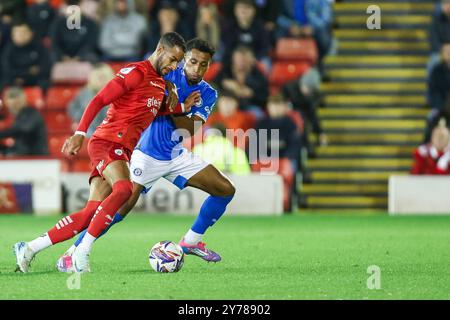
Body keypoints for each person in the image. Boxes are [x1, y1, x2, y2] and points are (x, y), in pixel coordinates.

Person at [13, 32, 187, 273]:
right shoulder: (135, 72)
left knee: (89, 214)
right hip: (106, 142)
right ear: (160, 50)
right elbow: (98, 100)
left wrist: (181, 106)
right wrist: (79, 133)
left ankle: (29, 248)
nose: (174, 66)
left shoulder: (160, 85)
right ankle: (82, 251)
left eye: (178, 62)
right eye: (172, 59)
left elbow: (149, 112)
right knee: (125, 189)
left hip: (122, 149)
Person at [56, 38, 235, 272]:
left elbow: (188, 129)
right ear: (183, 62)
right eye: (192, 62)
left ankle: (190, 242)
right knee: (119, 209)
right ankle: (72, 253)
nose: (197, 69)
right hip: (145, 154)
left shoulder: (208, 93)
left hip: (175, 154)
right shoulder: (167, 73)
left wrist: (173, 106)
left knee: (225, 190)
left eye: (204, 65)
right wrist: (179, 107)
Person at [282, 67, 327, 157]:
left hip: (300, 121)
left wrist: (320, 132)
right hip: (285, 118)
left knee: (303, 120)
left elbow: (312, 114)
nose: (309, 92)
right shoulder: (288, 88)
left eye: (311, 90)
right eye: (308, 88)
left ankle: (307, 148)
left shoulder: (308, 98)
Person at [213, 45, 268, 117]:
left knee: (257, 114)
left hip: (249, 106)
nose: (241, 62)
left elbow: (264, 97)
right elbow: (214, 86)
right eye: (238, 59)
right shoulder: (225, 71)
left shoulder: (258, 75)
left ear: (251, 60)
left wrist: (252, 94)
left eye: (244, 60)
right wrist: (225, 84)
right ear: (233, 59)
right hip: (227, 105)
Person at [68, 63, 115, 137]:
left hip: (111, 129)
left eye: (104, 77)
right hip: (90, 129)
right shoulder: (84, 93)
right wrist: (78, 121)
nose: (101, 80)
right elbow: (73, 108)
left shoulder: (117, 92)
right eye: (99, 77)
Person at [1, 21, 51, 90]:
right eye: (17, 33)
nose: (21, 36)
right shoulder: (7, 50)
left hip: (35, 81)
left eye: (24, 33)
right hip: (13, 81)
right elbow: (7, 70)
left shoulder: (39, 47)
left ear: (31, 33)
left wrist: (25, 76)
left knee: (45, 83)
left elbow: (45, 67)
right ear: (12, 35)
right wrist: (28, 71)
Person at [0, 87, 48, 156]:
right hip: (24, 156)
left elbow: (22, 130)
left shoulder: (31, 113)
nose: (10, 107)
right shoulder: (19, 117)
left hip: (37, 158)